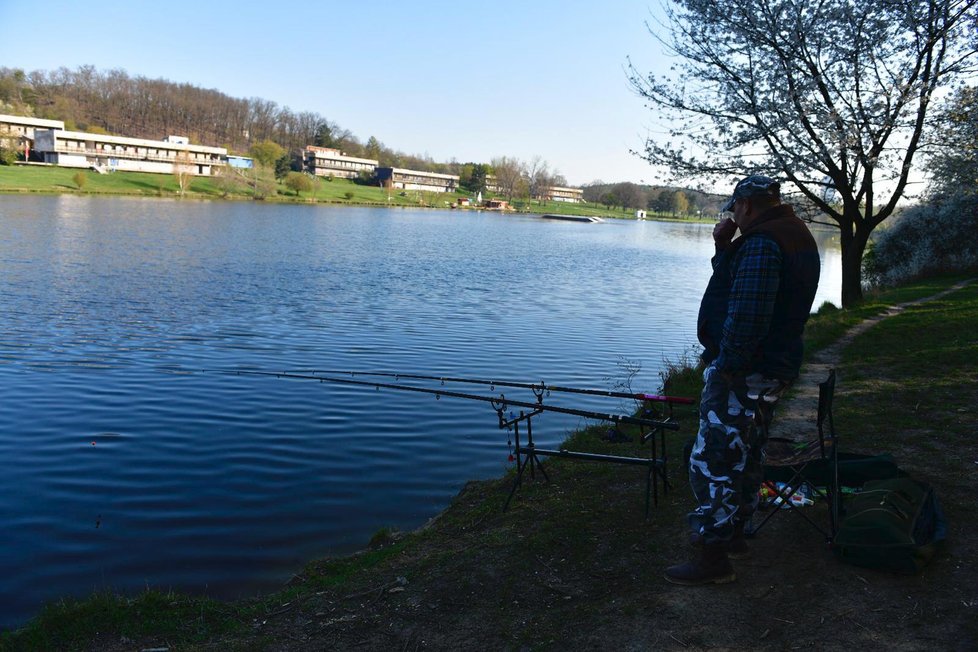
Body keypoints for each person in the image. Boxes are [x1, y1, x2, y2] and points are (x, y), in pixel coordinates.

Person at [664, 174, 821, 586]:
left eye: (733, 208)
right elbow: (736, 287)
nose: (731, 215)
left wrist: (724, 368)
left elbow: (748, 316)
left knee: (712, 460)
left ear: (746, 206)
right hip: (772, 368)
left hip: (746, 372)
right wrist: (722, 248)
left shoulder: (762, 243)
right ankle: (734, 535)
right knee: (748, 452)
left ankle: (713, 557)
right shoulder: (793, 235)